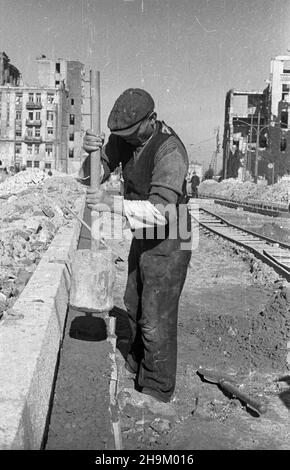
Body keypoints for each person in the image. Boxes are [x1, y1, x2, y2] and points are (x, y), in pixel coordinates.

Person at [82, 88, 191, 410]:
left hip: (174, 230)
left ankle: (158, 391)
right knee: (133, 300)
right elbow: (90, 177)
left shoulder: (169, 150)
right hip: (144, 227)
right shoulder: (124, 138)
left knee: (157, 315)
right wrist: (90, 153)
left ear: (151, 121)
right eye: (119, 136)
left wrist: (111, 204)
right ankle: (137, 365)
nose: (124, 141)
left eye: (130, 134)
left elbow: (162, 211)